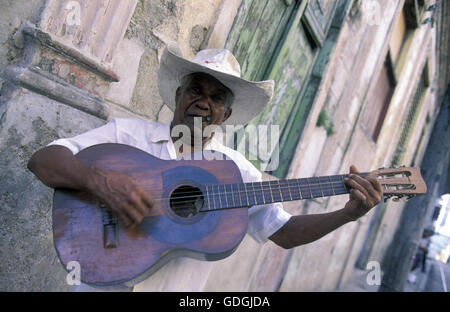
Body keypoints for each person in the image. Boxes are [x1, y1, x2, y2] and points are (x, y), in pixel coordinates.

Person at [27, 42, 383, 291]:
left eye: (216, 99)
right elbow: (43, 161)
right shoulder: (127, 135)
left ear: (225, 115)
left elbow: (283, 232)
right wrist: (99, 180)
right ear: (178, 96)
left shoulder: (238, 171)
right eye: (196, 90)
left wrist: (348, 214)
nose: (203, 103)